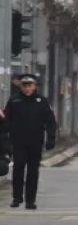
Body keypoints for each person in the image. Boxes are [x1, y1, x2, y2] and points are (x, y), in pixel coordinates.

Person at [3, 74, 57, 210]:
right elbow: (6, 121)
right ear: (21, 87)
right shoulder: (14, 101)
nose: (27, 88)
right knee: (18, 169)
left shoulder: (42, 101)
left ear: (35, 86)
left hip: (35, 142)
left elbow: (50, 121)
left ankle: (30, 200)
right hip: (18, 141)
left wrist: (51, 138)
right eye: (24, 86)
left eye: (29, 85)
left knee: (33, 171)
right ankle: (17, 197)